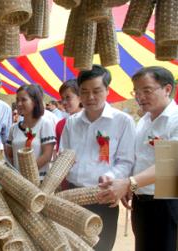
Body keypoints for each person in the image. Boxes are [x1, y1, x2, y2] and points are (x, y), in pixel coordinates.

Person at [98, 66, 178, 251]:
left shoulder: (174, 119)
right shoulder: (145, 121)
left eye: (147, 90)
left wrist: (128, 183)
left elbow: (168, 166)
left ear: (167, 89)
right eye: (136, 91)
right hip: (142, 203)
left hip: (167, 201)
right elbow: (140, 159)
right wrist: (131, 187)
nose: (140, 97)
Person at [60, 64, 136, 251]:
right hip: (73, 195)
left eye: (97, 91)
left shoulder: (123, 121)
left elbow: (126, 161)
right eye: (84, 92)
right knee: (72, 245)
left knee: (100, 246)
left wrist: (111, 175)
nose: (90, 97)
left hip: (103, 195)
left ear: (107, 90)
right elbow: (64, 156)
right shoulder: (72, 122)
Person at [5, 84, 56, 180]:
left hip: (38, 180)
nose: (19, 104)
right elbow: (10, 154)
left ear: (35, 102)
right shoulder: (14, 128)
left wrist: (26, 173)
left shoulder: (45, 124)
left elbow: (47, 156)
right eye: (17, 100)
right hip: (18, 181)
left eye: (23, 100)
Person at [55, 79, 82, 150]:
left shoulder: (91, 121)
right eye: (62, 98)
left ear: (80, 97)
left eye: (68, 97)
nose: (64, 102)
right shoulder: (61, 125)